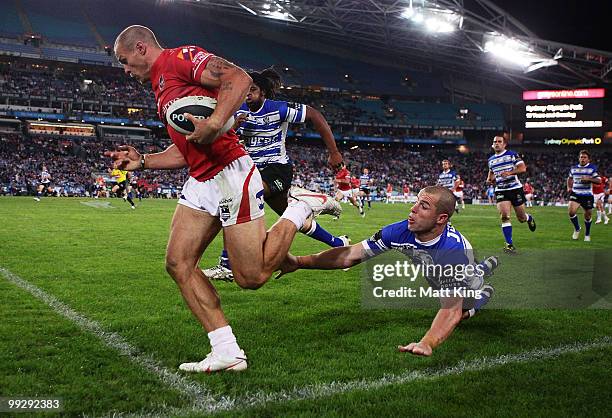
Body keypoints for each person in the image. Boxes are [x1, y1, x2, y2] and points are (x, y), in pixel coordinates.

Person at [106, 25, 340, 373]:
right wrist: (143, 161)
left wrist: (215, 123)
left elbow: (239, 78)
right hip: (202, 180)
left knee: (252, 277)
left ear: (141, 48)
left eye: (125, 61)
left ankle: (300, 205)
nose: (125, 70)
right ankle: (226, 350)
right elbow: (187, 149)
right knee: (178, 263)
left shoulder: (180, 59)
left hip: (231, 173)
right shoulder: (160, 86)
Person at [277, 186, 499, 357]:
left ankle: (483, 288)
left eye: (424, 206)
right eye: (416, 202)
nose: (412, 209)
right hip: (433, 268)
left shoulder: (452, 251)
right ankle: (484, 271)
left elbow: (450, 311)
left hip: (456, 267)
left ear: (441, 218)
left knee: (461, 312)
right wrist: (298, 262)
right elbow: (350, 255)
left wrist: (427, 342)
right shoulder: (399, 230)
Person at [203, 68, 348, 281]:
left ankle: (226, 265)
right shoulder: (237, 111)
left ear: (262, 93)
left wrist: (334, 153)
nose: (247, 94)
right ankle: (339, 243)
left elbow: (315, 115)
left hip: (276, 168)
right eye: (245, 91)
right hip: (251, 169)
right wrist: (234, 126)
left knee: (237, 198)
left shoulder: (279, 109)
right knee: (292, 217)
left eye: (252, 90)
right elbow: (221, 137)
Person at [486, 136, 536, 254]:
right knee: (504, 216)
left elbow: (522, 168)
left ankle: (529, 218)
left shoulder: (512, 154)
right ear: (493, 145)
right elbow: (491, 173)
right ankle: (509, 244)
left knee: (521, 218)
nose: (497, 144)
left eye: (499, 142)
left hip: (515, 189)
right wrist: (489, 180)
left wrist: (510, 172)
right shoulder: (491, 160)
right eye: (495, 142)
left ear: (504, 144)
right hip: (501, 190)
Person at [567, 150, 601, 241]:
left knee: (588, 215)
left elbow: (599, 180)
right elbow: (570, 178)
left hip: (587, 195)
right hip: (576, 193)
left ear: (588, 159)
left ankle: (587, 234)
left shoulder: (592, 168)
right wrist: (569, 187)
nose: (582, 159)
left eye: (585, 157)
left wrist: (589, 179)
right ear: (579, 158)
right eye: (581, 157)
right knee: (571, 212)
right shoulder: (573, 168)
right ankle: (577, 228)